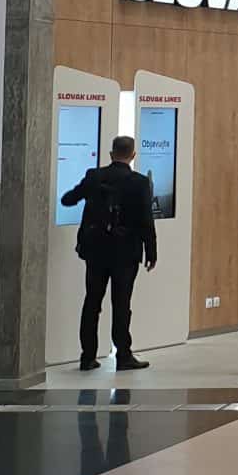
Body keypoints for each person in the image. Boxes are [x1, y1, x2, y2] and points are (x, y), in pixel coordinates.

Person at [62, 132, 156, 374]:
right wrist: (151, 251)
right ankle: (123, 355)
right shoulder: (139, 182)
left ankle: (87, 356)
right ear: (133, 155)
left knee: (92, 301)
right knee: (122, 303)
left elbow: (68, 200)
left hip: (96, 250)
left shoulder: (95, 176)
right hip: (126, 252)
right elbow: (146, 220)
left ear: (111, 153)